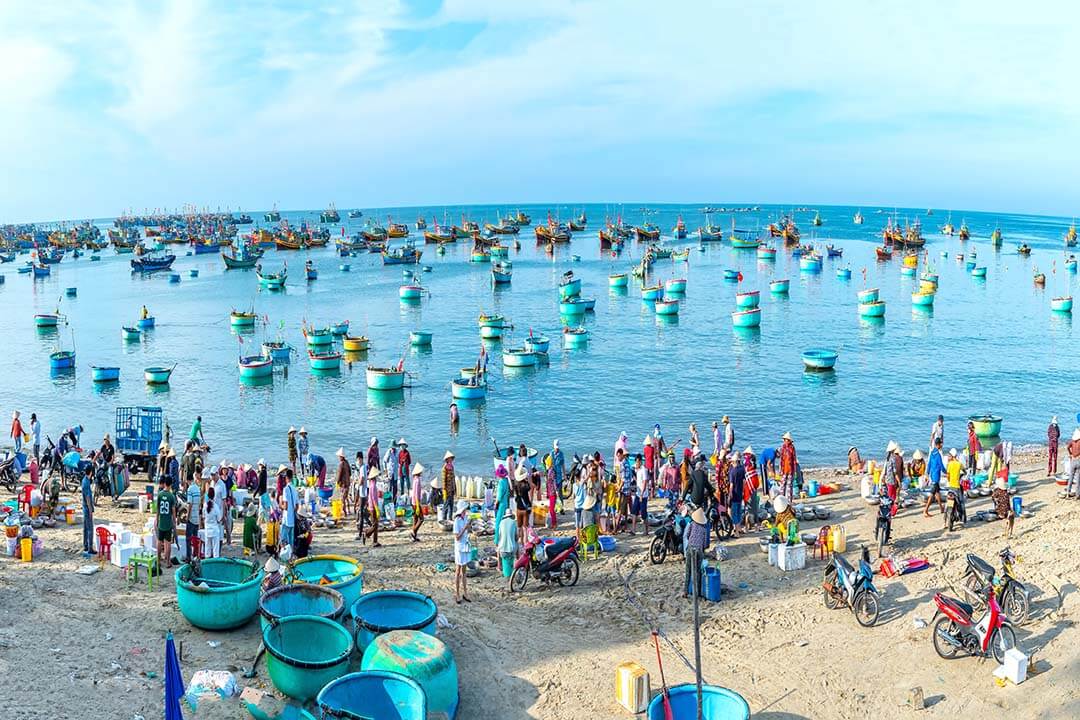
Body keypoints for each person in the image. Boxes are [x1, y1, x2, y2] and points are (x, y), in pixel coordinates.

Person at [683, 506, 708, 599]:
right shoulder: (704, 529)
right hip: (699, 550)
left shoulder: (692, 524)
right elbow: (705, 543)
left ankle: (685, 591)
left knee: (688, 570)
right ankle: (697, 592)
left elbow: (688, 535)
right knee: (697, 571)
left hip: (690, 549)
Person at [155, 476, 177, 570]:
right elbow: (173, 511)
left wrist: (157, 519)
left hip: (161, 521)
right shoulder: (171, 496)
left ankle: (158, 560)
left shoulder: (160, 494)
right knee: (168, 543)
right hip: (168, 522)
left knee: (159, 541)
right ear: (170, 484)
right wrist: (174, 521)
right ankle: (168, 562)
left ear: (164, 483)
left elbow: (158, 509)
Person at [453, 500, 471, 604]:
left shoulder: (465, 519)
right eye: (464, 509)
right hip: (459, 547)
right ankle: (457, 593)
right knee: (458, 571)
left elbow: (466, 532)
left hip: (465, 546)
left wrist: (468, 527)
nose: (465, 511)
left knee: (464, 571)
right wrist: (465, 528)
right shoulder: (457, 521)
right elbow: (457, 537)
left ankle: (465, 592)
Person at [924, 438, 946, 517]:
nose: (942, 445)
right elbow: (941, 466)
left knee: (937, 493)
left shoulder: (932, 453)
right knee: (932, 495)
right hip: (936, 476)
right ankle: (925, 510)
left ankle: (941, 508)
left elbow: (929, 464)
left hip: (932, 475)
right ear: (938, 444)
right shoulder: (938, 455)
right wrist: (947, 473)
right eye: (941, 444)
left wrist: (927, 474)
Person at [945, 448, 967, 524]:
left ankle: (945, 519)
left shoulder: (949, 464)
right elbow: (965, 471)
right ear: (956, 456)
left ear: (951, 456)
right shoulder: (959, 464)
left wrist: (949, 480)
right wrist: (964, 473)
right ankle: (963, 518)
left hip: (951, 487)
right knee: (961, 502)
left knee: (947, 502)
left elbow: (948, 475)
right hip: (957, 487)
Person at [184, 473, 202, 562]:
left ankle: (188, 557)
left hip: (191, 517)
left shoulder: (190, 489)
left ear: (188, 480)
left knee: (188, 538)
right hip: (197, 517)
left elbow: (189, 504)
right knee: (195, 539)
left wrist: (187, 516)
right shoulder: (198, 488)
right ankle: (195, 556)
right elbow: (199, 504)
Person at [497, 507, 518, 574]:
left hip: (503, 552)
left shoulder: (501, 523)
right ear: (511, 516)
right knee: (517, 544)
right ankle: (518, 563)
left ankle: (499, 565)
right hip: (512, 551)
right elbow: (516, 537)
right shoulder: (514, 523)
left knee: (498, 548)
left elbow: (499, 537)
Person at [513, 466, 532, 544]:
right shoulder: (526, 485)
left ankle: (519, 542)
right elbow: (529, 488)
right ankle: (525, 543)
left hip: (518, 508)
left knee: (519, 527)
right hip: (525, 508)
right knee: (525, 528)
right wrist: (527, 479)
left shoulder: (516, 485)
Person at [494, 464, 511, 544]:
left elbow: (499, 496)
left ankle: (497, 540)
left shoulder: (501, 482)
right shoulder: (506, 480)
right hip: (507, 503)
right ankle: (504, 538)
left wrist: (496, 503)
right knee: (505, 521)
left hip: (502, 504)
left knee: (498, 522)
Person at [203, 486, 222, 558]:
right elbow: (219, 519)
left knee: (207, 550)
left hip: (207, 529)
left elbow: (203, 516)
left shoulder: (205, 505)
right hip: (214, 530)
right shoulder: (216, 506)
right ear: (214, 496)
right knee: (215, 551)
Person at [728, 457, 745, 537]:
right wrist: (743, 491)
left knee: (734, 513)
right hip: (740, 492)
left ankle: (737, 532)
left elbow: (731, 485)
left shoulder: (732, 472)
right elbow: (744, 481)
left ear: (733, 462)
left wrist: (730, 494)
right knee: (739, 511)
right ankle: (739, 528)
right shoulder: (742, 469)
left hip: (734, 493)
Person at [281, 474, 298, 549]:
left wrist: (280, 505)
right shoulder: (294, 489)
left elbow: (286, 506)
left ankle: (285, 552)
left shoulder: (286, 489)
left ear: (287, 478)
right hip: (292, 517)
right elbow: (297, 505)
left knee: (284, 536)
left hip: (286, 517)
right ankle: (291, 551)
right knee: (291, 537)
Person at [81, 464, 94, 558]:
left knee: (85, 528)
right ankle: (89, 548)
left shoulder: (84, 480)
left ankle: (85, 545)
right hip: (87, 508)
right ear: (91, 472)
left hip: (84, 507)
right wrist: (90, 510)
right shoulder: (86, 482)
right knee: (90, 529)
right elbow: (88, 497)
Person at [779, 433, 797, 500]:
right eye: (785, 440)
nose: (785, 441)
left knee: (789, 486)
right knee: (782, 486)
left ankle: (789, 501)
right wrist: (780, 470)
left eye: (787, 440)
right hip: (784, 469)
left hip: (790, 470)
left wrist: (794, 470)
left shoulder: (792, 447)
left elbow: (794, 459)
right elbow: (781, 459)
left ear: (789, 440)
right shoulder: (783, 447)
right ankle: (782, 500)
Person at [409, 462, 425, 541]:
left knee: (415, 518)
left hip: (413, 502)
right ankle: (413, 531)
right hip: (416, 503)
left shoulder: (415, 479)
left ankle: (414, 536)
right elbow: (416, 494)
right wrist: (418, 506)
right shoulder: (417, 480)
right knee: (421, 519)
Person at [441, 451, 456, 521]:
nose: (450, 460)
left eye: (451, 458)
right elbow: (443, 480)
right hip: (447, 490)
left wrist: (455, 488)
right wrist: (444, 490)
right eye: (449, 458)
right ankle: (444, 518)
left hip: (452, 489)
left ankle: (450, 518)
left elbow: (453, 478)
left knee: (451, 504)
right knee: (446, 505)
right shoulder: (444, 468)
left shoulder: (452, 467)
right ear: (446, 459)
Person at [1068, 430, 1080, 499]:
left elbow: (1067, 447)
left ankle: (1067, 492)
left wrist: (1071, 454)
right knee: (1078, 478)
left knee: (1071, 477)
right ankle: (1077, 495)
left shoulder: (1072, 441)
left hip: (1073, 460)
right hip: (1078, 460)